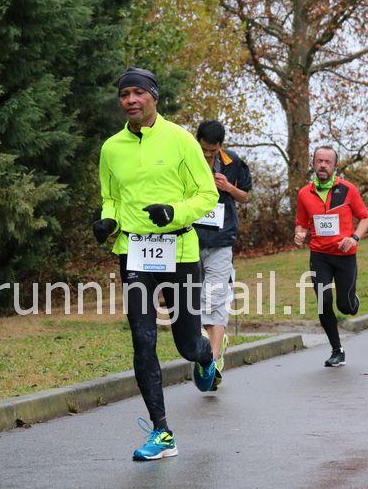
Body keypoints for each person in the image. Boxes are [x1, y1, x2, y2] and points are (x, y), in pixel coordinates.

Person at [93, 67, 219, 461]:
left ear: (153, 97)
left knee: (186, 344)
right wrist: (109, 220)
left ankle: (206, 356)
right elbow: (112, 197)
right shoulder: (111, 148)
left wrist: (174, 212)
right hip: (134, 253)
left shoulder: (180, 140)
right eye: (124, 94)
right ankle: (162, 431)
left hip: (179, 251)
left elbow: (207, 194)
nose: (130, 100)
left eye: (137, 93)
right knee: (143, 339)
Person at [294, 147, 368, 366]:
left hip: (345, 255)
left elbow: (365, 217)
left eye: (327, 162)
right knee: (324, 301)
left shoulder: (348, 189)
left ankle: (353, 301)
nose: (323, 165)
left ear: (335, 166)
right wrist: (300, 233)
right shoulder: (304, 193)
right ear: (313, 163)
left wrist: (354, 238)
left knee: (345, 307)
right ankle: (337, 350)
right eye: (319, 161)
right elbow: (301, 222)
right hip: (319, 256)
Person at [194, 120, 252, 390]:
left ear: (221, 146)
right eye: (204, 150)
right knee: (193, 300)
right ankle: (213, 350)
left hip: (221, 241)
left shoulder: (233, 161)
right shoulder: (186, 159)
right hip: (190, 240)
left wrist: (228, 187)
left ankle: (212, 362)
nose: (208, 155)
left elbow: (245, 197)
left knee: (214, 299)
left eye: (213, 151)